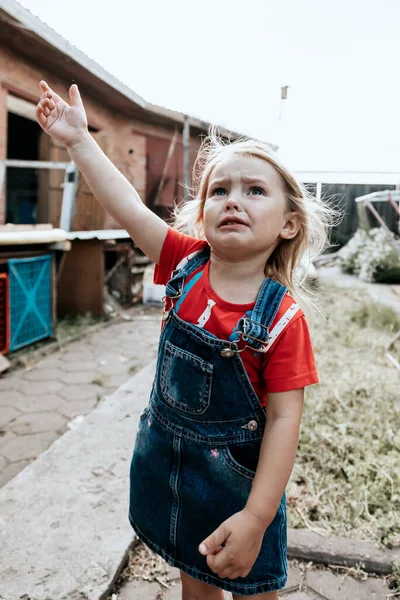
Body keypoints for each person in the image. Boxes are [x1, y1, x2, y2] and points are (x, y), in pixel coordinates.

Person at [36, 81, 332, 599]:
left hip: (240, 487)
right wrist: (79, 141)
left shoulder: (283, 319)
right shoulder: (184, 263)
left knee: (253, 587)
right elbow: (128, 207)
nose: (233, 200)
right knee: (194, 582)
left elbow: (286, 420)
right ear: (202, 211)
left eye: (254, 190)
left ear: (289, 223)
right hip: (169, 467)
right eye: (219, 190)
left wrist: (258, 517)